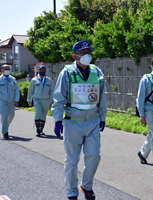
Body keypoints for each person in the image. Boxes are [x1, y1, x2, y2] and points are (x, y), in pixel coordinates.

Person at [51, 40, 107, 200]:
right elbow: (59, 97)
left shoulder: (97, 72)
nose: (87, 55)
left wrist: (102, 116)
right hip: (72, 121)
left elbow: (102, 97)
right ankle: (71, 193)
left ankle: (86, 186)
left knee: (94, 156)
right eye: (83, 53)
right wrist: (57, 120)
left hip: (92, 121)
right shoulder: (66, 73)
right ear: (74, 56)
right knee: (72, 160)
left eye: (89, 52)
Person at [27, 64, 54, 137]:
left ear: (45, 71)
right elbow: (30, 91)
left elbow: (51, 90)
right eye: (40, 70)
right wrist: (29, 100)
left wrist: (50, 99)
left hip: (46, 100)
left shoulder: (48, 80)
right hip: (37, 99)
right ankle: (37, 130)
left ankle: (41, 129)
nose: (41, 71)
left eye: (43, 70)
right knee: (38, 113)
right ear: (38, 71)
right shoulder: (34, 80)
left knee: (43, 115)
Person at [0, 64, 20, 139]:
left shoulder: (13, 79)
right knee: (4, 116)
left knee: (11, 115)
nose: (7, 70)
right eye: (6, 69)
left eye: (8, 69)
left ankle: (5, 126)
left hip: (11, 101)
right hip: (3, 101)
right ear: (2, 70)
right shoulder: (0, 79)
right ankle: (5, 132)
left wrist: (16, 100)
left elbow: (16, 90)